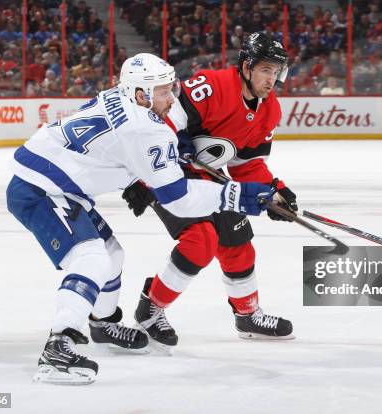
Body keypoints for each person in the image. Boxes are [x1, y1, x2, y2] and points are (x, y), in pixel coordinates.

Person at [6, 53, 275, 385]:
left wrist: (161, 157)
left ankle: (102, 324)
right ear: (140, 94)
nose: (170, 98)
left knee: (113, 255)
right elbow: (178, 199)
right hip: (41, 188)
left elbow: (114, 142)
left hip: (59, 180)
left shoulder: (118, 96)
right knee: (90, 258)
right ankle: (58, 348)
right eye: (161, 92)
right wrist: (242, 196)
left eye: (169, 89)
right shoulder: (147, 129)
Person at [122, 32, 296, 349]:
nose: (272, 79)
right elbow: (163, 124)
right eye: (265, 70)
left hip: (208, 175)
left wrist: (274, 190)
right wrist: (147, 178)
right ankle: (151, 309)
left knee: (237, 240)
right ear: (247, 66)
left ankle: (247, 314)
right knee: (200, 241)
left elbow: (246, 165)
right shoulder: (211, 85)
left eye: (276, 71)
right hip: (167, 170)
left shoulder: (269, 110)